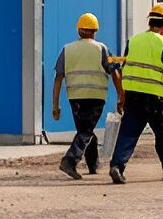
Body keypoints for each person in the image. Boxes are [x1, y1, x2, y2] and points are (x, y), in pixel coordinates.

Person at [109, 4, 163, 184]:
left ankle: (117, 166)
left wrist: (122, 97)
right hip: (157, 100)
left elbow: (123, 67)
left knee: (128, 134)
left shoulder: (133, 42)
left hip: (133, 96)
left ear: (150, 22)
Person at [53, 12, 124, 180]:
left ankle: (92, 164)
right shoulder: (102, 49)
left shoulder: (67, 49)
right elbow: (115, 73)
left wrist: (55, 105)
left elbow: (58, 78)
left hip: (75, 97)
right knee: (86, 131)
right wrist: (121, 95)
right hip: (95, 96)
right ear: (95, 31)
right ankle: (69, 160)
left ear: (79, 30)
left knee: (85, 129)